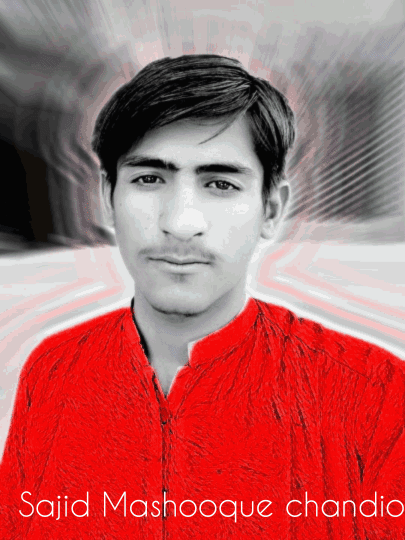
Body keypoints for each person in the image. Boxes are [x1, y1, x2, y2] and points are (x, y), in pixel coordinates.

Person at [0, 54, 404, 539]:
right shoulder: (53, 374)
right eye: (149, 179)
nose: (180, 221)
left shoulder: (374, 397)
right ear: (107, 198)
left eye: (220, 183)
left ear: (271, 210)